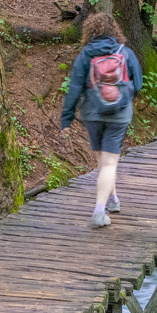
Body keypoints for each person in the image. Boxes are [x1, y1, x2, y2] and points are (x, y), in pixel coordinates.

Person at [60, 13, 143, 228]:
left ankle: (113, 200)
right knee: (109, 162)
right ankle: (99, 211)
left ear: (89, 32)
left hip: (92, 114)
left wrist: (66, 120)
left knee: (103, 160)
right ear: (114, 30)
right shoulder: (125, 53)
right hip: (119, 115)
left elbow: (74, 89)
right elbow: (139, 83)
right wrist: (126, 95)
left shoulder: (85, 55)